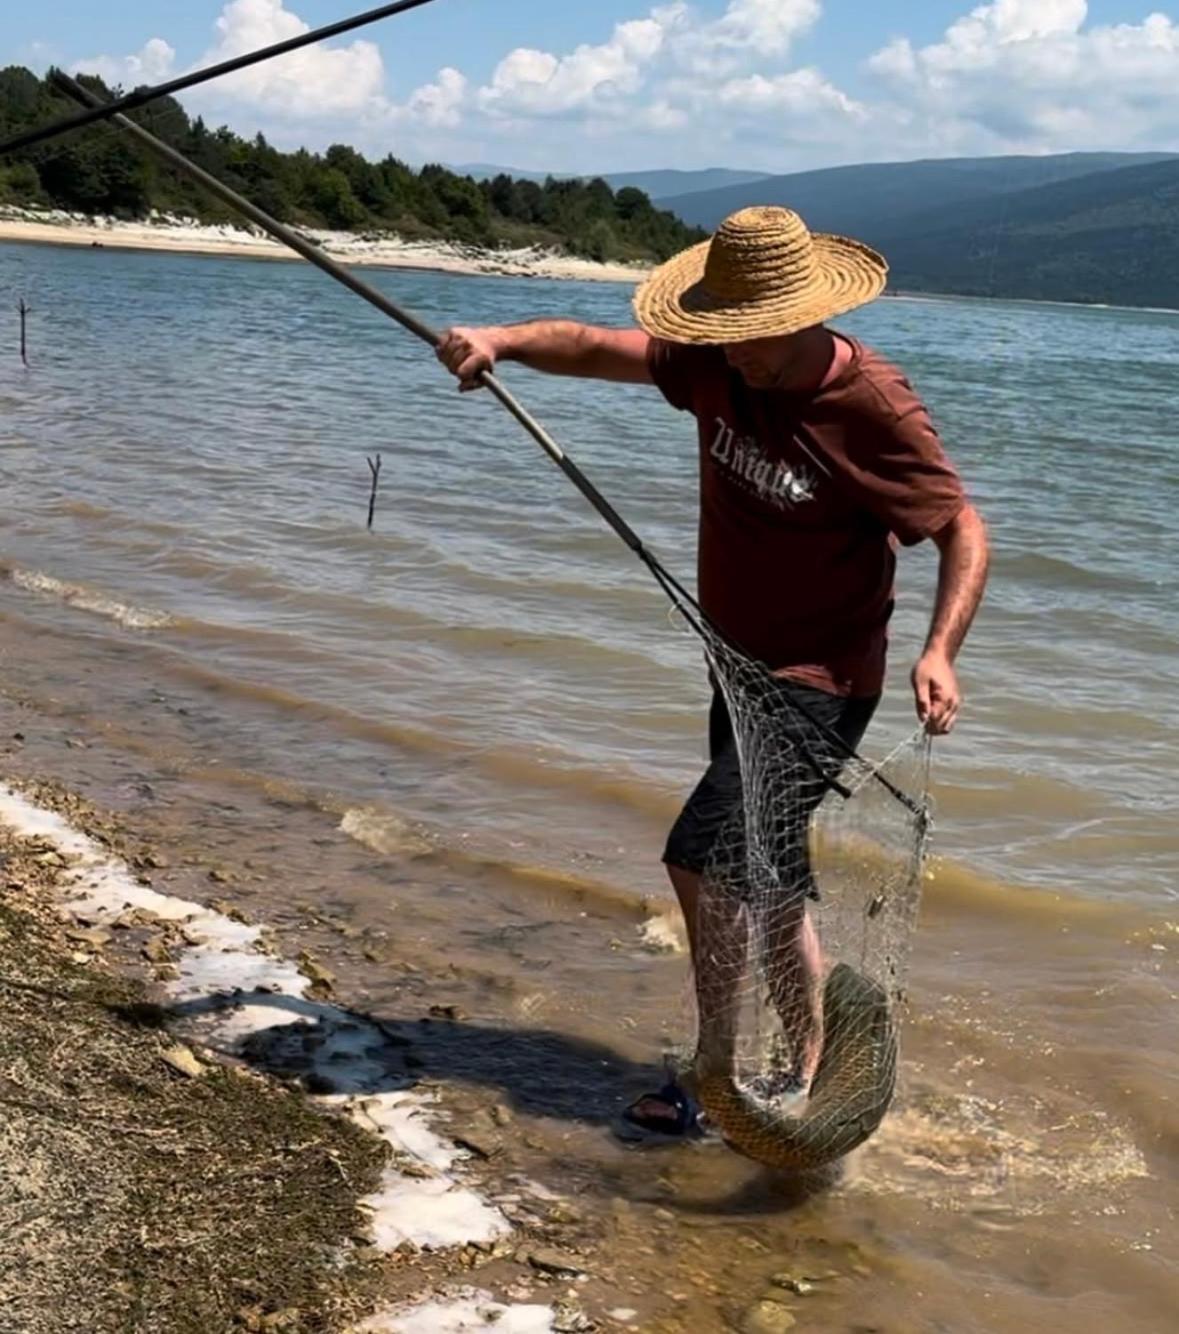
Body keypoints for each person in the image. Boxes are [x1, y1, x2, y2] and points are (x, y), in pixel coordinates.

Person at [436, 205, 989, 1136]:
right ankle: (812, 1062)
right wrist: (501, 340)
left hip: (819, 682)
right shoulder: (719, 360)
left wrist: (940, 651)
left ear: (804, 316)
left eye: (749, 335)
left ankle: (711, 1072)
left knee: (704, 857)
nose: (731, 353)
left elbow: (960, 527)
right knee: (768, 878)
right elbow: (592, 348)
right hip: (735, 667)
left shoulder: (872, 407)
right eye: (721, 332)